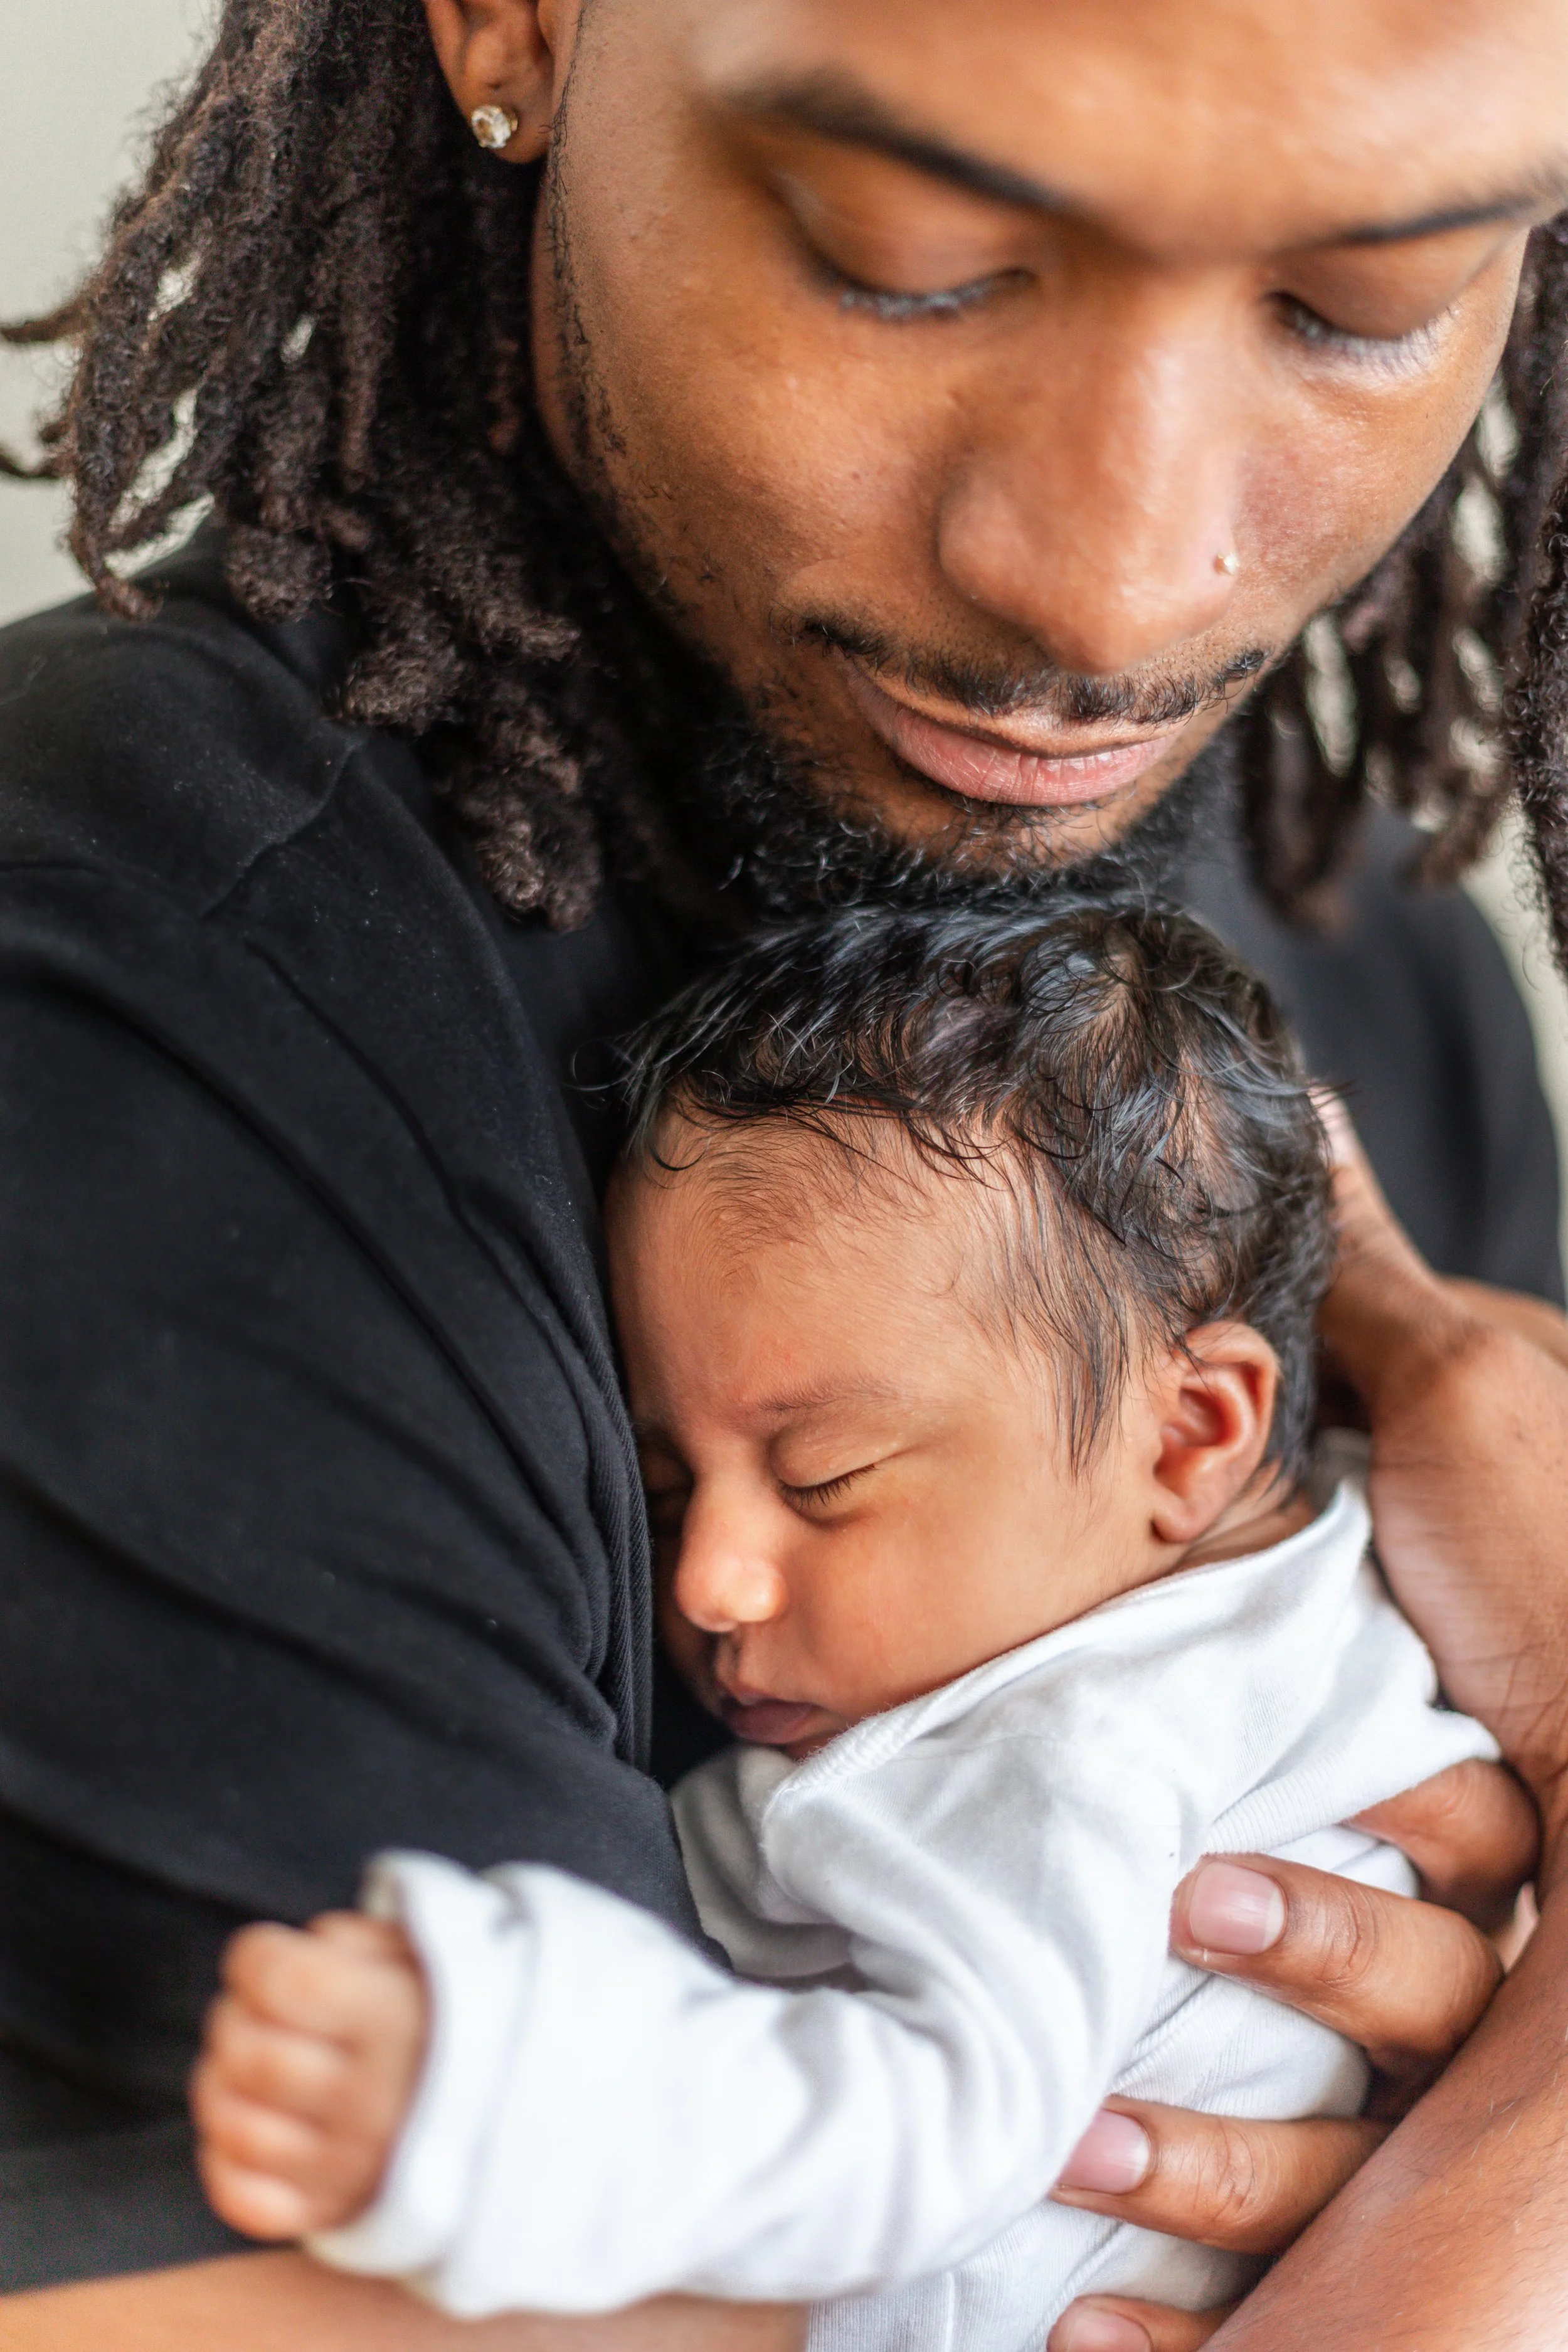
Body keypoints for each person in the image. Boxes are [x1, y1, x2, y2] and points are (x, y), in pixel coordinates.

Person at [1, 0, 1567, 2344]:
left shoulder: (1360, 949)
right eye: (909, 259)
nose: (1116, 593)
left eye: (1364, 304)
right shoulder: (120, 998)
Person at [189, 903, 1502, 2348]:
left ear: (1191, 1433)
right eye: (666, 1486)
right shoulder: (1322, 1574)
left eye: (822, 1481)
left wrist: (508, 2079)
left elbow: (944, 2133)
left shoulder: (1062, 1748)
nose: (706, 1582)